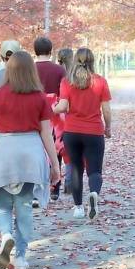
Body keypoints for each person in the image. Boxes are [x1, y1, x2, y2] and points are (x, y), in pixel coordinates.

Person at [0, 51, 60, 269]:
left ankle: (6, 237)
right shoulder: (40, 97)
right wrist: (55, 164)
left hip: (4, 151)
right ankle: (21, 257)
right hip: (30, 153)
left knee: (3, 205)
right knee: (23, 207)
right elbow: (46, 134)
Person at [53, 47, 112, 220]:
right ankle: (93, 193)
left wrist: (53, 108)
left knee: (77, 169)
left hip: (72, 131)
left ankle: (78, 208)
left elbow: (62, 106)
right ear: (92, 61)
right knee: (94, 171)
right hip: (94, 131)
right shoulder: (100, 81)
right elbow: (106, 110)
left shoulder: (67, 81)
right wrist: (107, 127)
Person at [34, 37, 66, 201]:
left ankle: (36, 187)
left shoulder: (30, 69)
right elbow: (64, 92)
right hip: (54, 111)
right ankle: (55, 187)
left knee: (36, 147)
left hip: (34, 110)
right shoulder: (59, 70)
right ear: (51, 50)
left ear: (35, 51)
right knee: (55, 147)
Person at [57, 48, 74, 194]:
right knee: (68, 153)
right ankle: (69, 182)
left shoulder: (57, 71)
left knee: (54, 151)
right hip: (68, 117)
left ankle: (54, 185)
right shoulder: (73, 75)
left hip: (53, 114)